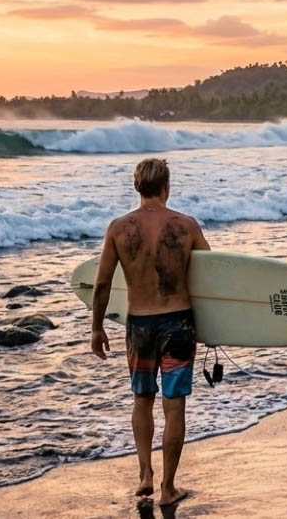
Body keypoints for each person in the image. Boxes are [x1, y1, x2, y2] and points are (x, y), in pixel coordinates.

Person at [90, 158, 210, 505]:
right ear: (167, 186)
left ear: (136, 187)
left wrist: (97, 329)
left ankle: (145, 472)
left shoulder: (118, 228)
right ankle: (168, 489)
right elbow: (213, 278)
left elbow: (101, 284)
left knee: (142, 400)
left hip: (139, 326)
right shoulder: (185, 226)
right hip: (178, 324)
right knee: (174, 405)